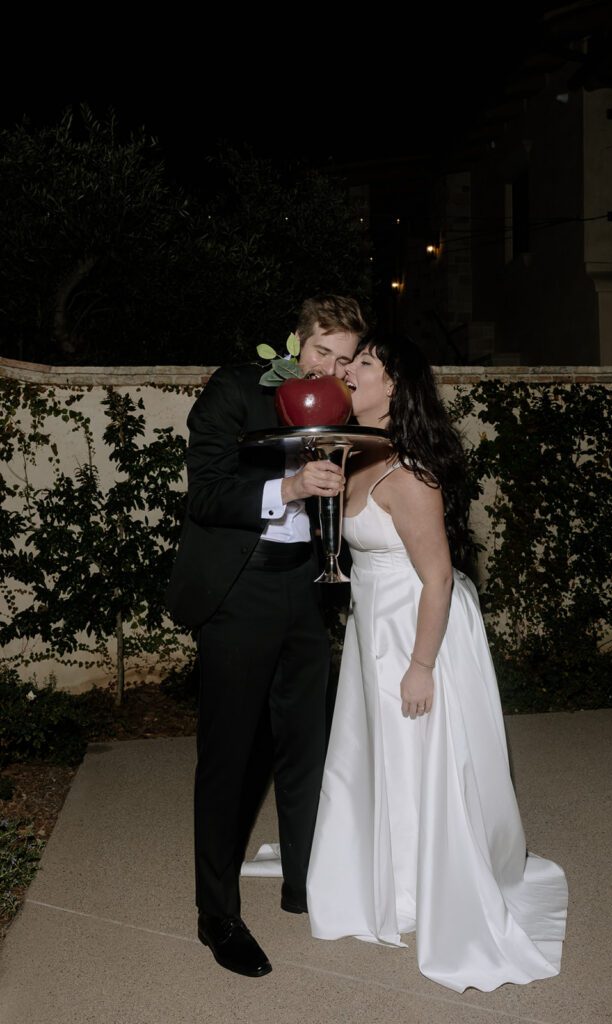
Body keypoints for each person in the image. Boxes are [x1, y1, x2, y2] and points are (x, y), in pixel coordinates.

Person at [306, 335, 568, 993]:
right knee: (372, 757)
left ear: (394, 386)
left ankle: (424, 891)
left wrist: (420, 665)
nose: (348, 372)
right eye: (349, 362)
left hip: (413, 630)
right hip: (372, 627)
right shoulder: (353, 453)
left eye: (363, 364)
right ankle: (378, 877)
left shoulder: (408, 474)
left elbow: (438, 579)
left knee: (418, 757)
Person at [165, 295, 367, 978]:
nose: (331, 369)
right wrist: (286, 486)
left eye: (344, 360)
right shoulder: (235, 389)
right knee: (229, 757)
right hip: (239, 587)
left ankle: (303, 884)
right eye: (320, 354)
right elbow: (205, 493)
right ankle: (215, 915)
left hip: (306, 586)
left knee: (305, 744)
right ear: (294, 343)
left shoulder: (342, 402)